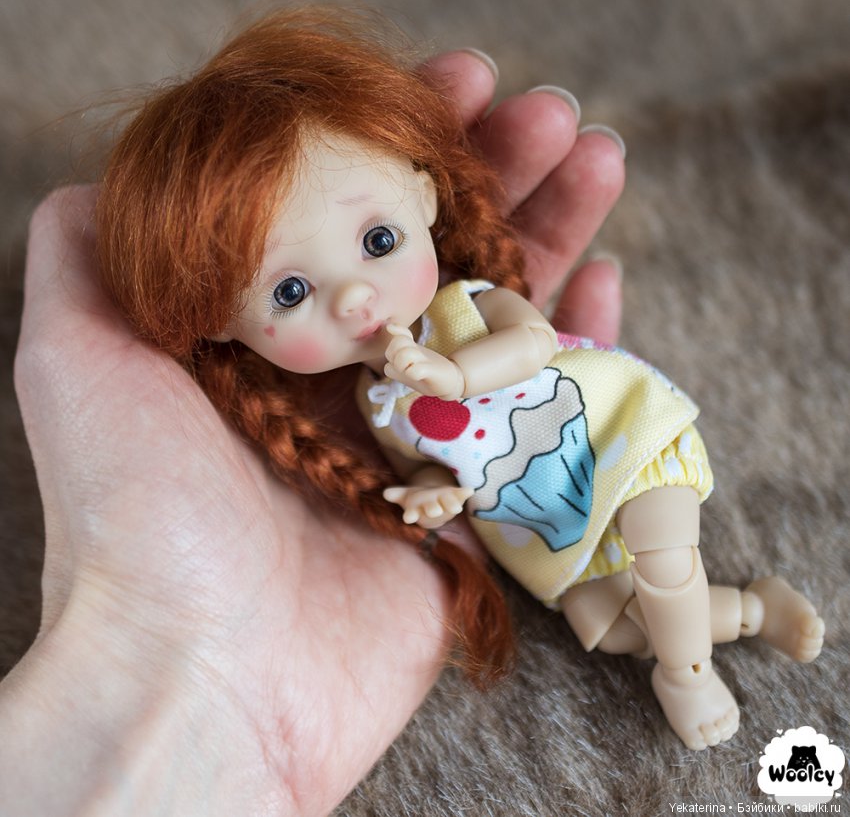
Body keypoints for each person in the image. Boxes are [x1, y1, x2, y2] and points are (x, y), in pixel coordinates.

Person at [4, 44, 626, 815]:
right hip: (530, 509)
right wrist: (429, 492)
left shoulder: (465, 309)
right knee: (609, 606)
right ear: (223, 328)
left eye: (378, 241)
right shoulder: (377, 405)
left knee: (643, 563)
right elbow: (418, 457)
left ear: (423, 193)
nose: (356, 299)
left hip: (588, 445)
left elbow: (531, 340)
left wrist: (459, 376)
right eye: (290, 291)